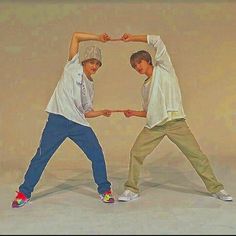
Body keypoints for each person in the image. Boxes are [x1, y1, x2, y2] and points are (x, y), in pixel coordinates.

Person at [117, 33, 233, 202]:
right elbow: (149, 111)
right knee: (136, 153)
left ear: (148, 60)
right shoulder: (145, 87)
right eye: (134, 66)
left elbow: (157, 40)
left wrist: (132, 37)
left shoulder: (164, 69)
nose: (137, 67)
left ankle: (217, 188)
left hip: (176, 123)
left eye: (139, 63)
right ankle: (131, 189)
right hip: (154, 126)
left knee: (197, 156)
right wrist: (133, 113)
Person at [12, 32, 115, 208]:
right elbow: (76, 36)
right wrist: (99, 38)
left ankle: (104, 190)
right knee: (41, 157)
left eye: (98, 64)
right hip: (57, 121)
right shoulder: (72, 67)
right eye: (92, 62)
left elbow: (86, 112)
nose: (95, 66)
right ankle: (24, 192)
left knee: (97, 155)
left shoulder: (90, 87)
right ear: (83, 61)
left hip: (78, 124)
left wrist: (101, 112)